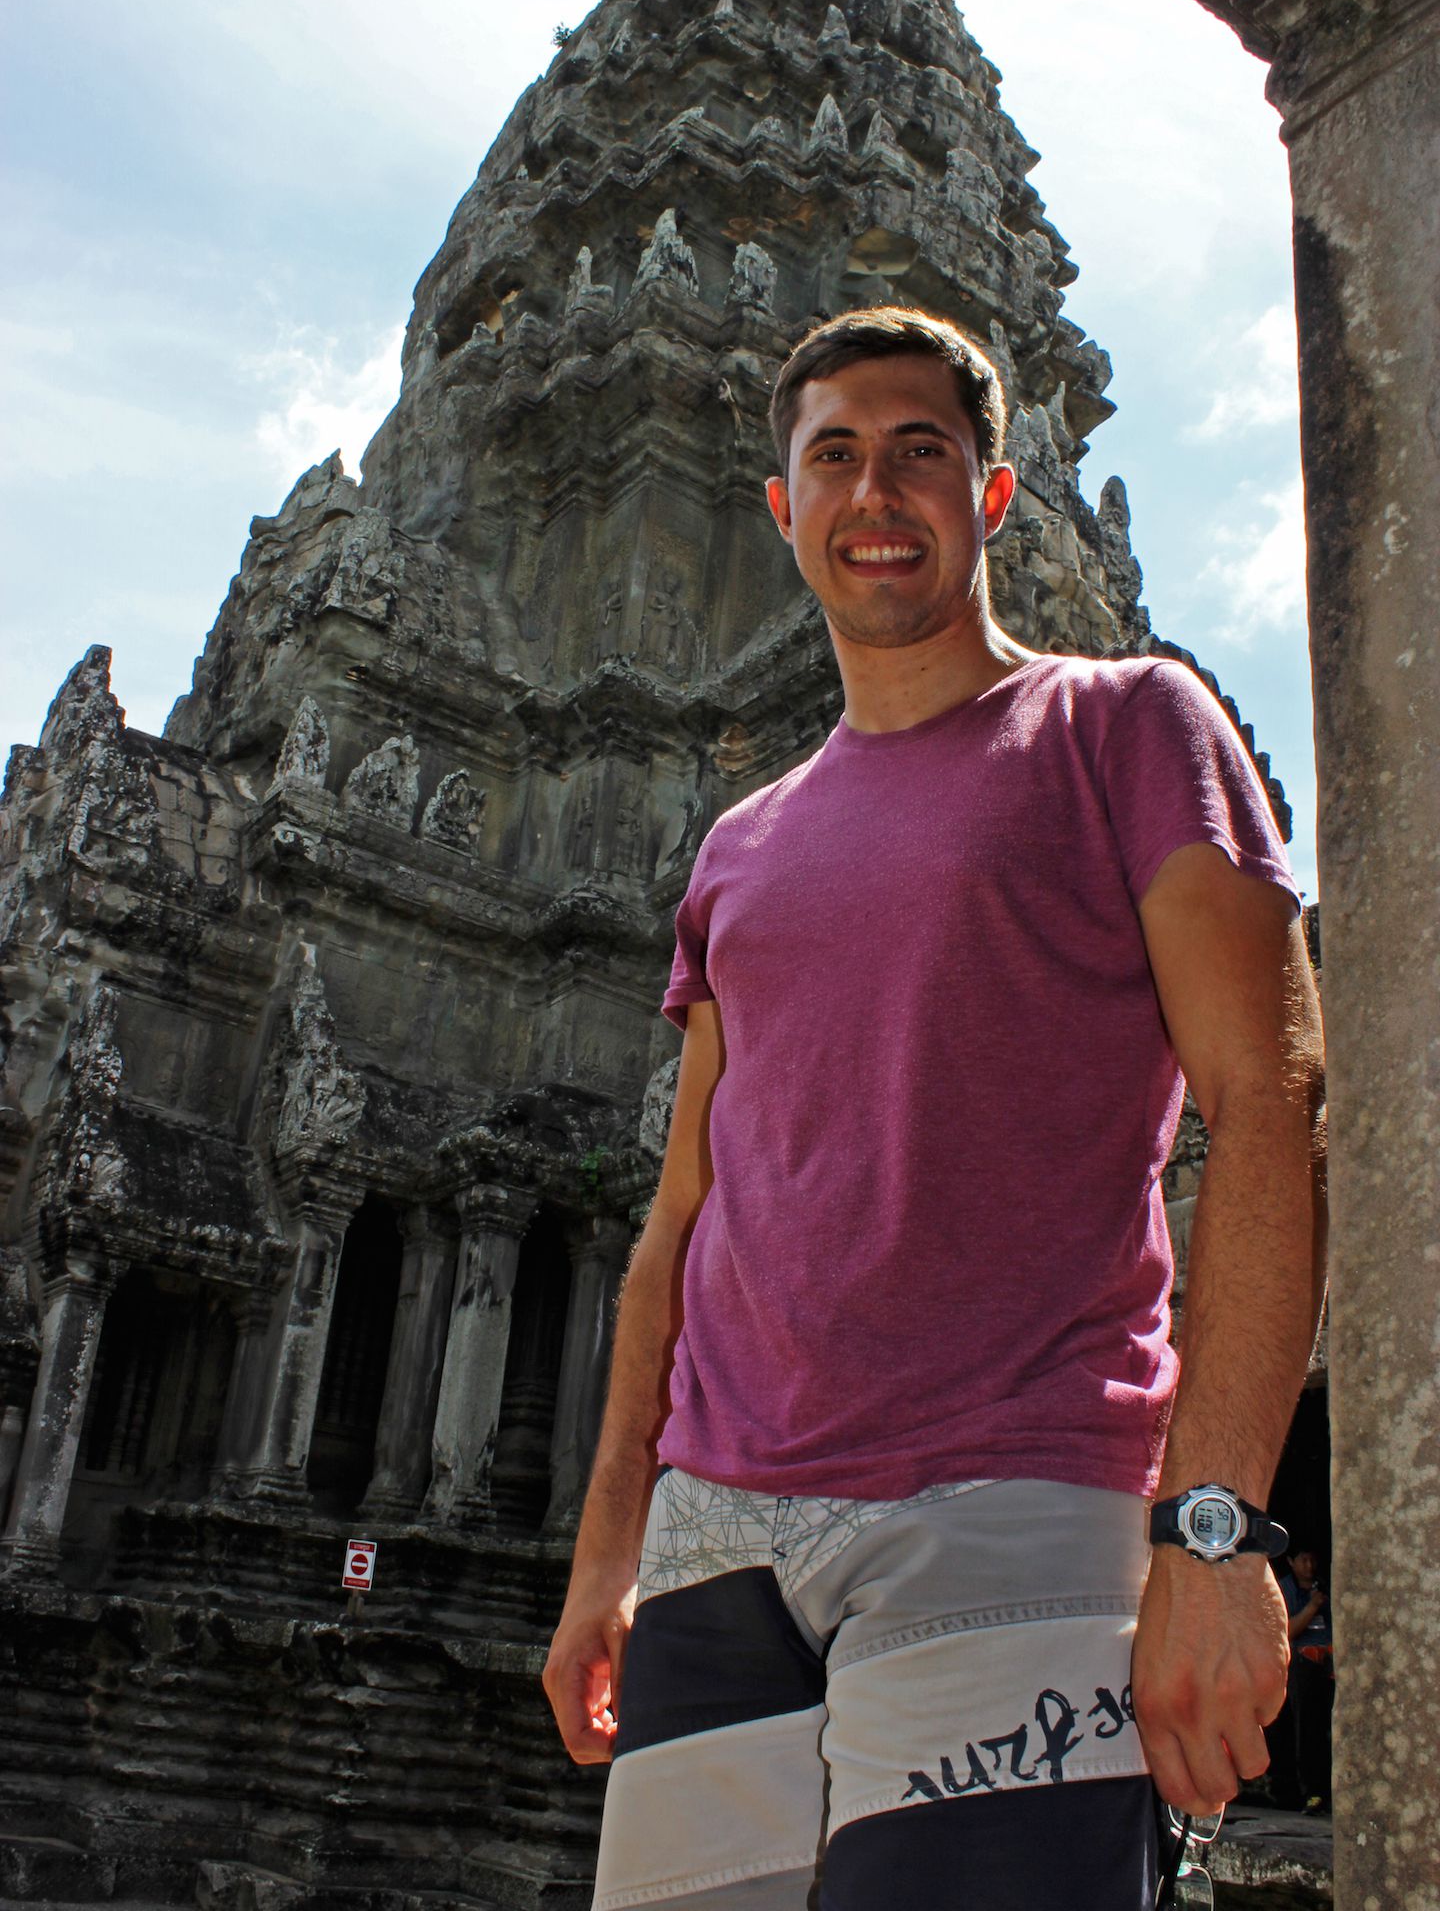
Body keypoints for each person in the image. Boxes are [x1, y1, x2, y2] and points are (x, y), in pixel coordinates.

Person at [543, 307, 1328, 1910]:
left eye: (922, 452)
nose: (875, 492)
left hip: (1013, 1503)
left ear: (993, 494)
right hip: (719, 1544)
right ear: (784, 507)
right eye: (834, 456)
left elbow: (1269, 1101)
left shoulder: (1127, 725)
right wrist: (612, 1545)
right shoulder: (739, 845)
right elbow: (683, 1218)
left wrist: (1215, 1529)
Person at [1280, 1547, 1334, 1810]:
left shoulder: (1324, 1585)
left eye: (1313, 1559)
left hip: (1329, 1663)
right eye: (1303, 1560)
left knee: (1329, 1727)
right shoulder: (1285, 1589)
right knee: (1307, 1729)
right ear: (1291, 1562)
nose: (1309, 1565)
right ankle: (1311, 1792)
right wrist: (1312, 1606)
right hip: (1301, 1664)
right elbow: (1286, 1631)